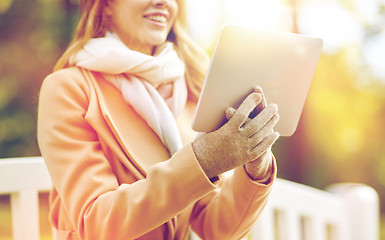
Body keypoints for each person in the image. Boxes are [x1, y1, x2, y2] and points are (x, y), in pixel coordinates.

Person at [37, 0, 280, 239]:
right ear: (105, 6)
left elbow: (217, 227)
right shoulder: (68, 89)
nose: (164, 2)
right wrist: (203, 160)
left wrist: (256, 166)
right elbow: (96, 223)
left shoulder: (189, 90)